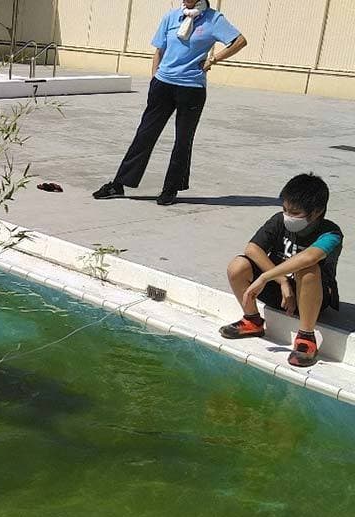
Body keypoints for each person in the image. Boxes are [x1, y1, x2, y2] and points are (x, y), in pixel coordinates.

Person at [93, 0, 247, 206]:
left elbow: (240, 41)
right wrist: (154, 78)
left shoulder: (214, 19)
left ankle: (170, 188)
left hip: (192, 88)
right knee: (144, 135)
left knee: (183, 140)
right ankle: (119, 183)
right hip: (163, 84)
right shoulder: (172, 17)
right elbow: (159, 50)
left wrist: (213, 59)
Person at [219, 173, 343, 367]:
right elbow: (252, 248)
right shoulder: (278, 221)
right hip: (280, 291)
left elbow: (309, 257)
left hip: (312, 298)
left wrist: (265, 277)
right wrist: (282, 281)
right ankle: (252, 320)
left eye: (295, 213)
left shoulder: (331, 233)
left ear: (317, 211)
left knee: (308, 269)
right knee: (238, 266)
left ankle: (306, 337)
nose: (288, 216)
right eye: (285, 209)